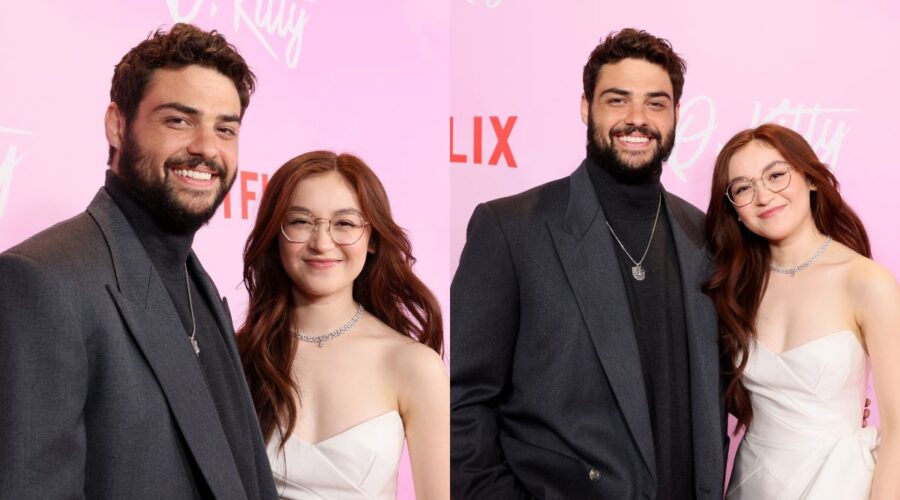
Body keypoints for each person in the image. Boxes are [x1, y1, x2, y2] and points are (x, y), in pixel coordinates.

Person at [0, 24, 277, 499]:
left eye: (225, 129)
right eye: (179, 120)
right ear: (117, 124)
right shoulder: (42, 280)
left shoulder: (198, 282)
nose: (207, 148)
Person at [451, 28, 726, 499]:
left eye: (656, 103)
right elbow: (462, 399)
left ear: (676, 115)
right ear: (586, 107)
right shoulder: (511, 229)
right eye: (617, 100)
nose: (637, 118)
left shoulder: (705, 235)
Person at [237, 151, 449, 499]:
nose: (322, 243)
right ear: (276, 234)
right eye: (301, 221)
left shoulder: (412, 364)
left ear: (373, 239)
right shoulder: (238, 357)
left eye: (345, 224)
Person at [705, 123, 900, 499]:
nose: (764, 196)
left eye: (776, 175)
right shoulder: (734, 289)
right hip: (751, 484)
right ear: (734, 210)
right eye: (743, 188)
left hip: (839, 484)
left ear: (810, 179)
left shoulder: (866, 282)